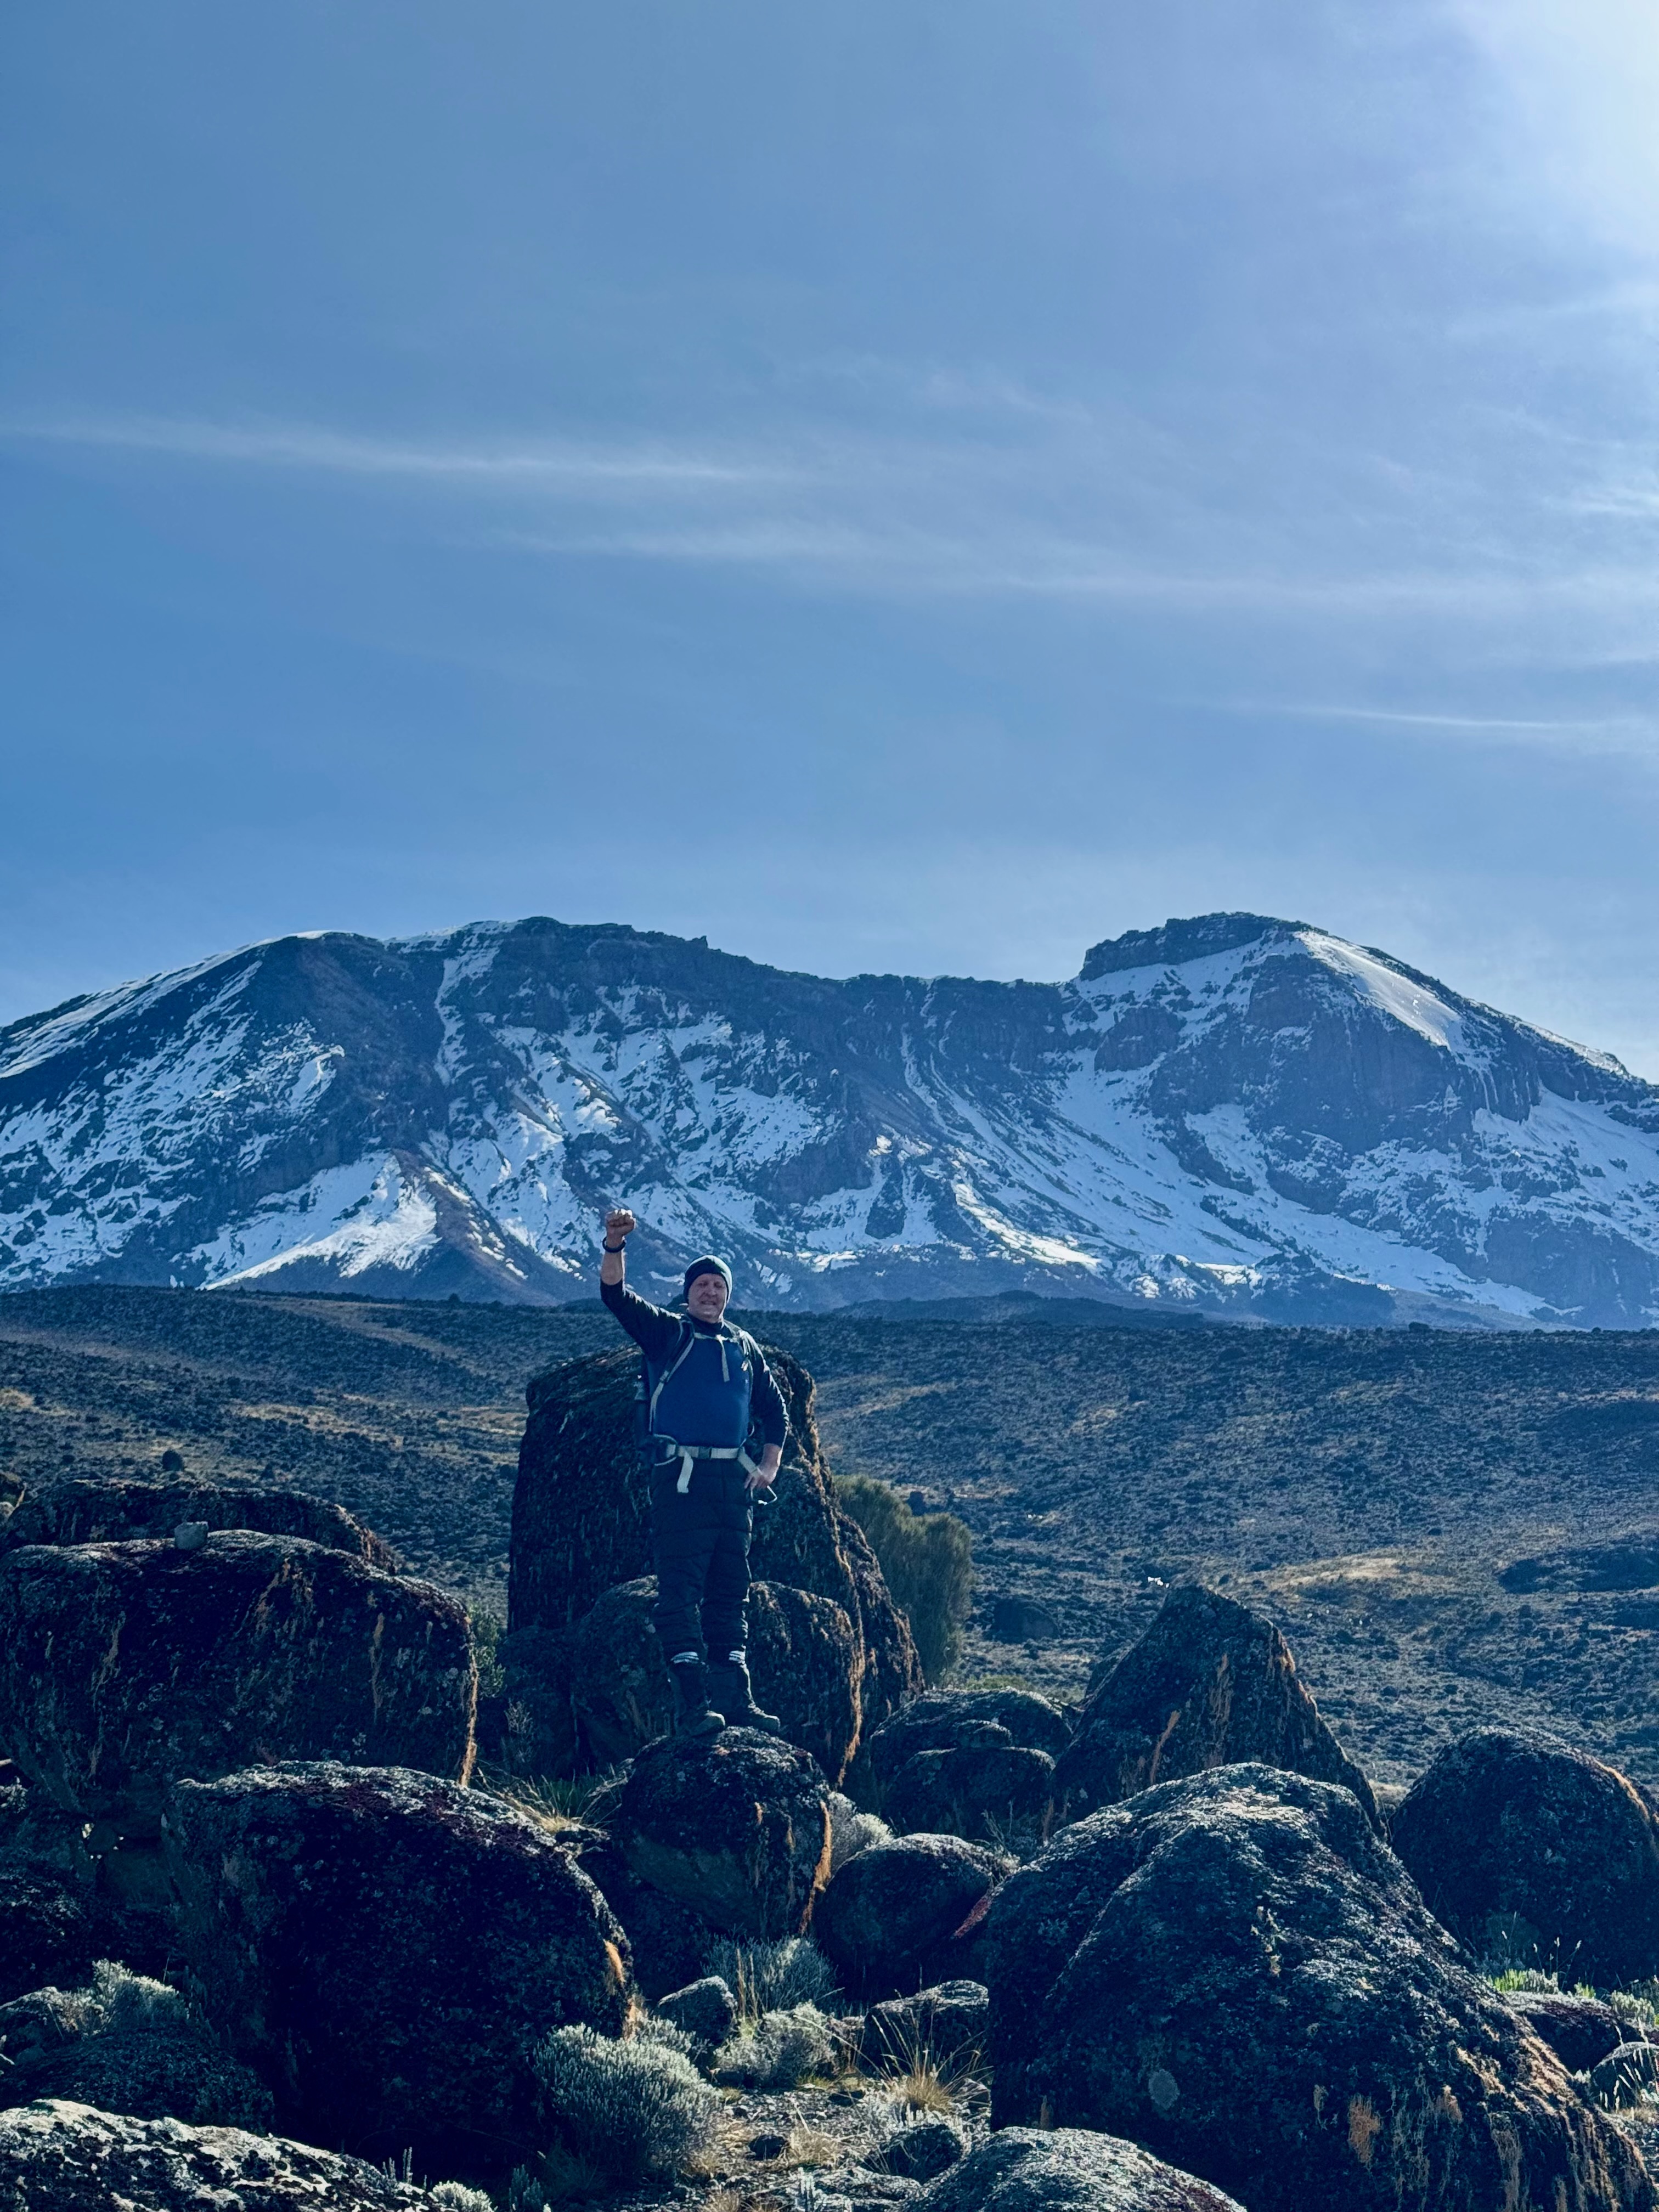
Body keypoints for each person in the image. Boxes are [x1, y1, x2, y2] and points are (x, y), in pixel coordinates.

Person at [600, 1207, 788, 1740]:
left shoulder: (745, 1347)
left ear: (727, 1294)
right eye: (702, 1285)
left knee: (732, 1590)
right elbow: (616, 1298)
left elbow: (776, 1411)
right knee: (680, 1591)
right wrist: (615, 1247)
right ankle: (692, 1707)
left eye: (718, 1285)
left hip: (734, 1483)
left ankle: (737, 1702)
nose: (710, 1293)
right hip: (680, 1481)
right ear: (688, 1294)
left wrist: (770, 1462)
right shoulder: (667, 1335)